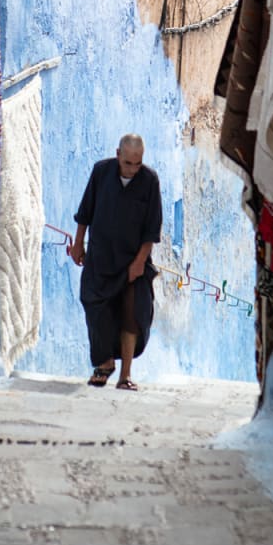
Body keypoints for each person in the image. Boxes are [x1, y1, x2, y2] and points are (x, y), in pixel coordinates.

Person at [70, 134, 162, 391]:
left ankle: (125, 375)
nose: (133, 169)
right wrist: (78, 244)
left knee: (131, 314)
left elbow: (152, 228)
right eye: (128, 163)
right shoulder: (101, 172)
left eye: (137, 163)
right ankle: (105, 362)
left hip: (133, 260)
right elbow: (85, 211)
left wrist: (140, 262)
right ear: (118, 154)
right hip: (100, 256)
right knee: (94, 305)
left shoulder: (149, 180)